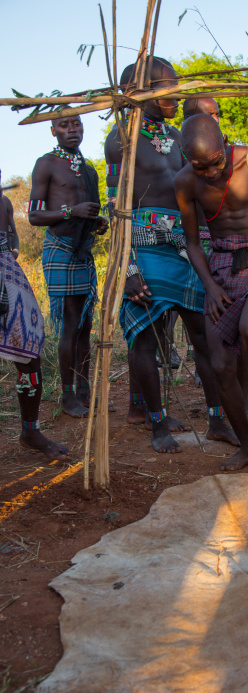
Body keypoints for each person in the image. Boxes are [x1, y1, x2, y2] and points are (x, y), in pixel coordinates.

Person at [105, 57, 238, 454]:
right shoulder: (121, 139)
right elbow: (116, 206)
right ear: (141, 92)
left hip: (183, 248)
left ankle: (216, 417)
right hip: (143, 250)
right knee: (145, 339)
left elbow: (195, 191)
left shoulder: (179, 134)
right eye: (167, 88)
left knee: (205, 335)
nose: (176, 95)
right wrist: (128, 267)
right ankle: (157, 422)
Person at [175, 113, 248, 470]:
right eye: (200, 167)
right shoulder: (185, 183)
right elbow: (193, 242)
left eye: (215, 163)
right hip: (221, 267)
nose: (210, 173)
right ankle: (246, 446)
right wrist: (209, 286)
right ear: (185, 160)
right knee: (221, 363)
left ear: (225, 143)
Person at [29, 114, 109, 418]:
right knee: (69, 324)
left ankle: (85, 391)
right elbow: (35, 216)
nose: (72, 129)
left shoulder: (90, 172)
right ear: (53, 131)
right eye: (64, 125)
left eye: (76, 124)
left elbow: (92, 215)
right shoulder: (46, 163)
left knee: (86, 325)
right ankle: (66, 396)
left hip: (83, 252)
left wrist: (98, 223)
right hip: (60, 249)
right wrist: (70, 210)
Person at [0, 173, 68, 460]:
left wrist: (12, 251)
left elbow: (11, 233)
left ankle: (30, 430)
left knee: (30, 353)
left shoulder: (3, 202)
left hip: (6, 273)